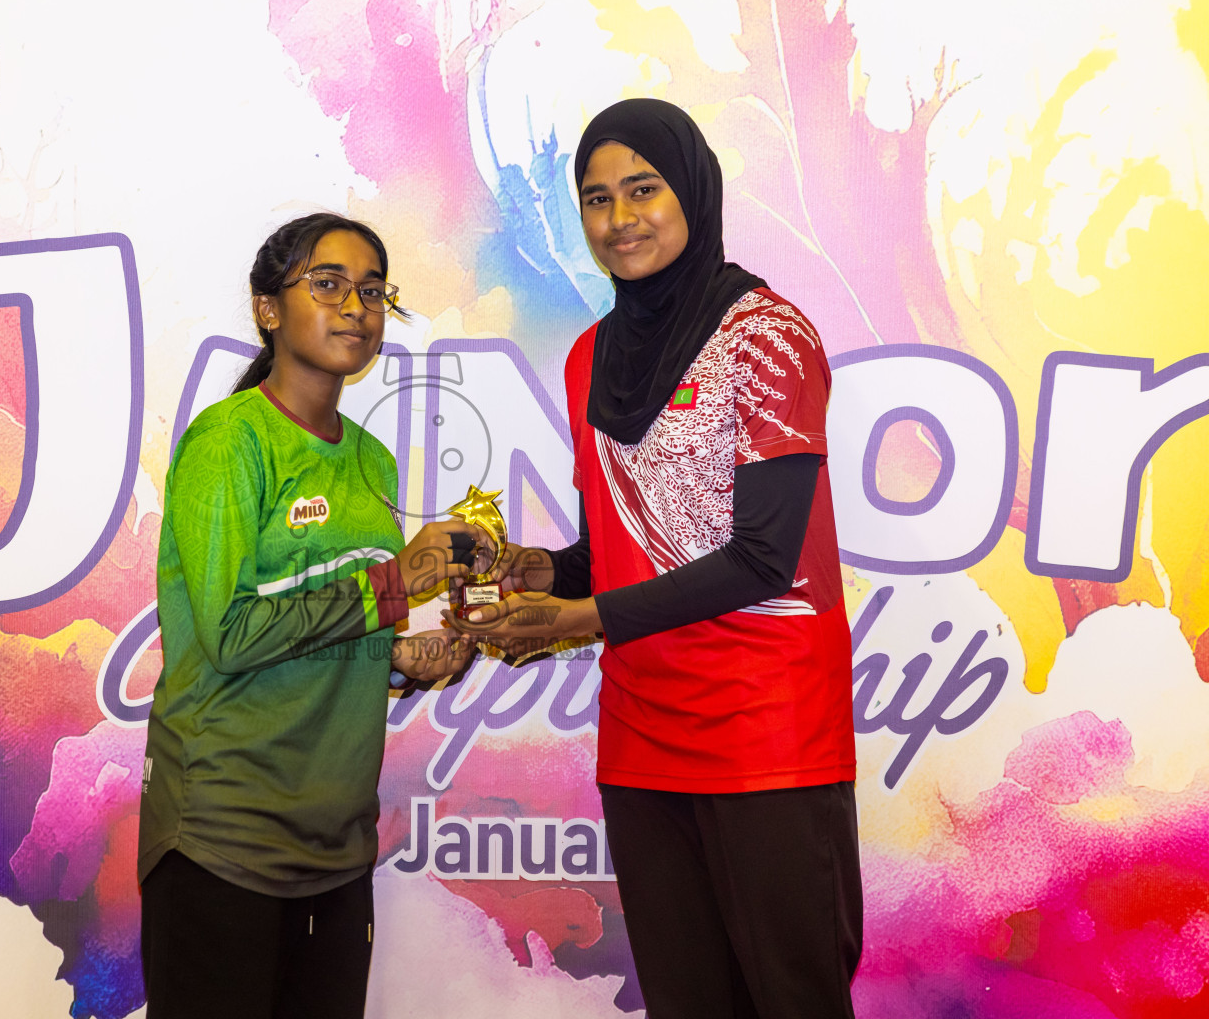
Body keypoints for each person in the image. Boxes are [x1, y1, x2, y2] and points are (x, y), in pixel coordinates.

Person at [452, 99, 862, 1017]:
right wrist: (537, 572)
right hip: (643, 737)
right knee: (687, 1000)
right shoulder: (593, 355)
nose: (619, 219)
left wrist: (581, 620)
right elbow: (619, 551)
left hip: (769, 737)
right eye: (596, 200)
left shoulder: (769, 338)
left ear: (693, 191)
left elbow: (764, 560)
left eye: (643, 189)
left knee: (794, 999)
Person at [138, 212, 482, 1018]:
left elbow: (336, 620)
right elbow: (229, 636)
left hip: (336, 849)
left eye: (372, 291)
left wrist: (401, 658)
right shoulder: (230, 442)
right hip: (221, 840)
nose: (355, 307)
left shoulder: (372, 461)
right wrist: (396, 587)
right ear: (268, 308)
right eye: (327, 284)